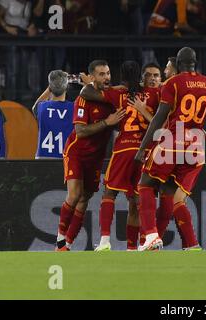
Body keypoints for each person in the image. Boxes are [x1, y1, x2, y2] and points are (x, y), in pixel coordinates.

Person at [134, 47, 206, 251]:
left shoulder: (173, 84)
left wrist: (143, 147)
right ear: (195, 62)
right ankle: (191, 244)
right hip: (195, 150)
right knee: (172, 195)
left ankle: (150, 235)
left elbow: (159, 118)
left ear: (178, 64)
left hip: (172, 143)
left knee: (145, 185)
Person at [79, 60, 159, 251]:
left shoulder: (118, 93)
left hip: (124, 148)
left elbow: (86, 92)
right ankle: (137, 245)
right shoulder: (154, 93)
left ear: (121, 76)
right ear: (141, 75)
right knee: (137, 200)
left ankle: (105, 240)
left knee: (110, 193)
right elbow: (160, 121)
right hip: (145, 149)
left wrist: (115, 86)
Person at [55, 60, 126, 251]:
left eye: (108, 73)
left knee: (85, 198)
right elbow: (80, 131)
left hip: (96, 156)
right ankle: (60, 239)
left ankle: (67, 245)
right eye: (102, 74)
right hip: (76, 152)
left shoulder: (111, 98)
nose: (107, 77)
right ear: (92, 77)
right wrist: (106, 122)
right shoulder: (83, 99)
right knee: (75, 194)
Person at [32, 70, 74, 159]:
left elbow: (35, 107)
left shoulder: (41, 107)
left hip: (43, 158)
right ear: (67, 87)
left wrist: (52, 85)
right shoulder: (74, 108)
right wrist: (88, 84)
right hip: (65, 158)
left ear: (50, 88)